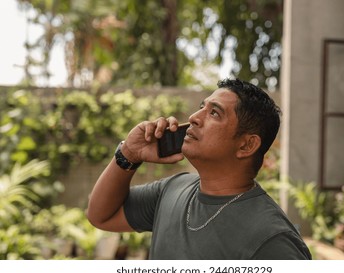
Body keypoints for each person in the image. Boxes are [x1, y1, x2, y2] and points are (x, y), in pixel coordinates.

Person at [87, 78, 312, 260]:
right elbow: (101, 216)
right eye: (201, 107)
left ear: (247, 145)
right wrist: (129, 154)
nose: (194, 118)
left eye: (214, 113)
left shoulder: (273, 240)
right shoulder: (173, 189)